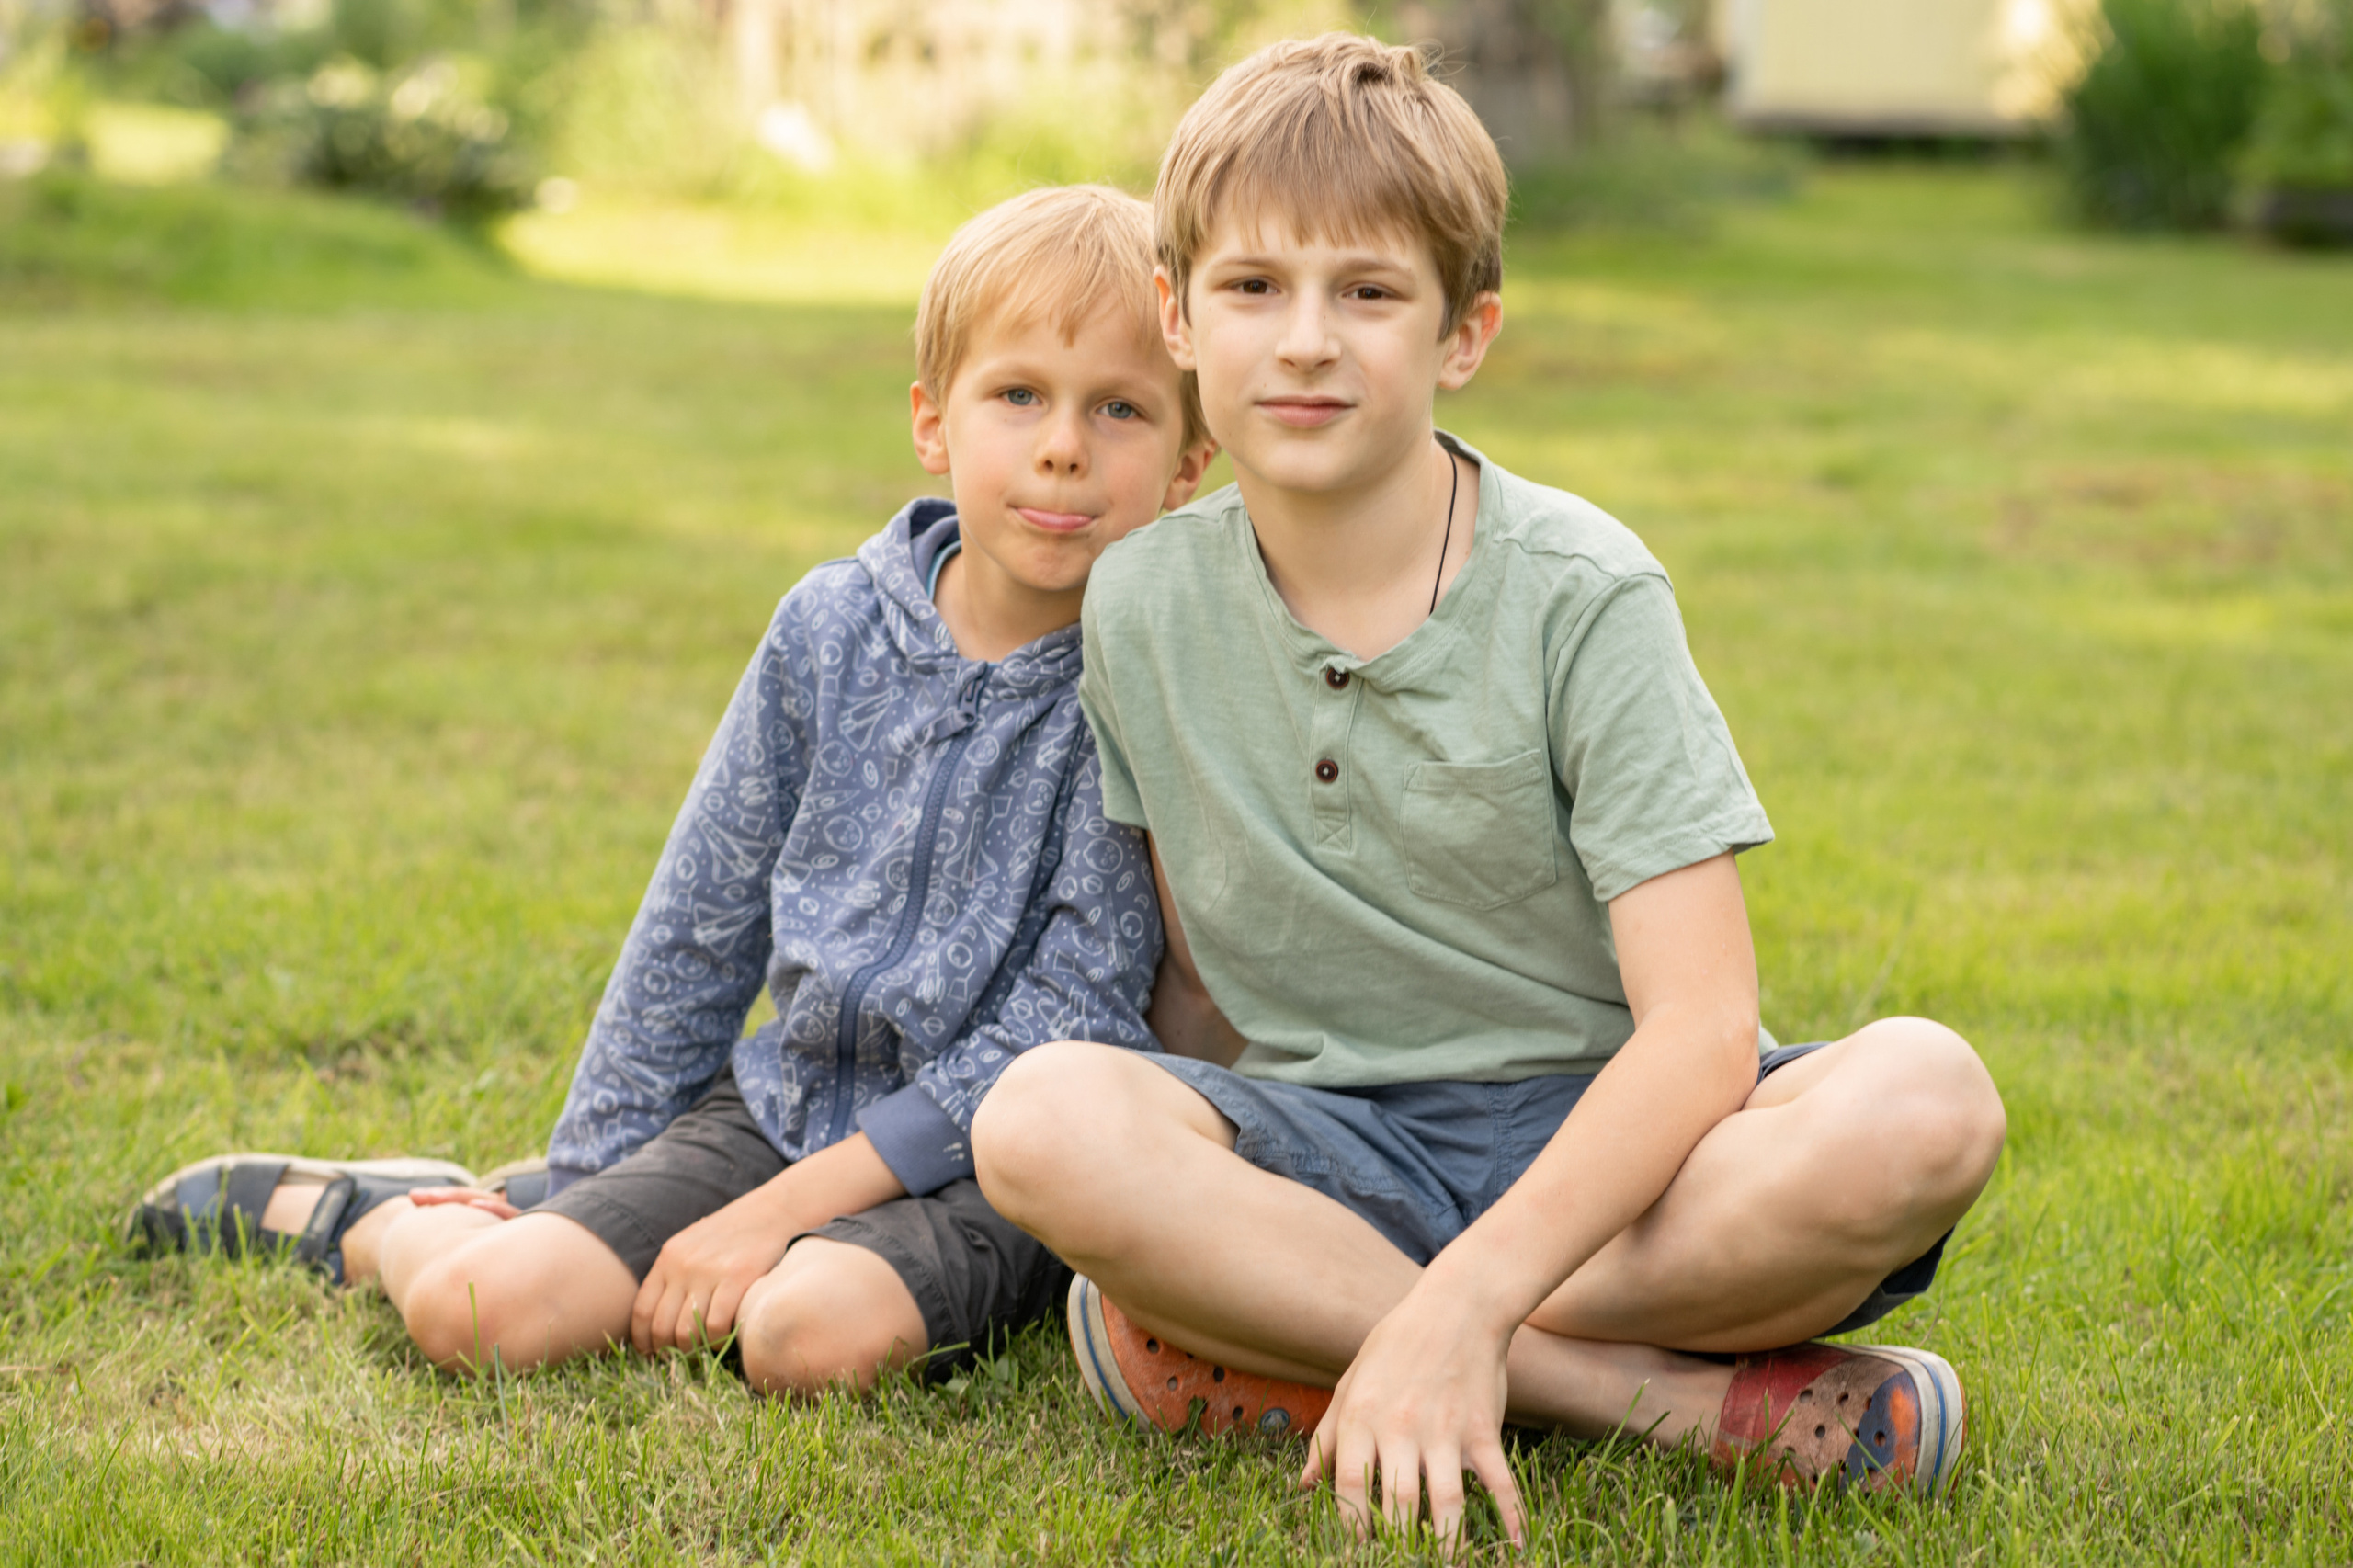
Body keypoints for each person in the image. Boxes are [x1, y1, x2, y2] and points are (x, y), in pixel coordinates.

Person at [971, 36, 2007, 1549]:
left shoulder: (1584, 590)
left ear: (1465, 333)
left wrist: (1451, 1286)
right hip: (1329, 1148)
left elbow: (1703, 1030)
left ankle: (1319, 1339)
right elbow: (1198, 985)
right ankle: (1648, 1400)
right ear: (1177, 316)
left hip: (1621, 1169)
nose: (1305, 341)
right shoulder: (1139, 602)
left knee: (1929, 1099)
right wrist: (1143, 1196)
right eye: (1253, 286)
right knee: (1041, 1117)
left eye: (1367, 292)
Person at [131, 184, 1217, 1397]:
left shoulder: (1143, 685)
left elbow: (1075, 1014)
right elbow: (700, 921)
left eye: (1120, 408)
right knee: (482, 1308)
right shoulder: (831, 629)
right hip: (781, 1105)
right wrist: (588, 1187)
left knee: (807, 1340)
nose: (1064, 445)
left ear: (1190, 463)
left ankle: (778, 1261)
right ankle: (383, 1221)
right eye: (1018, 395)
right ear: (932, 420)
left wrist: (779, 1216)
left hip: (984, 1172)